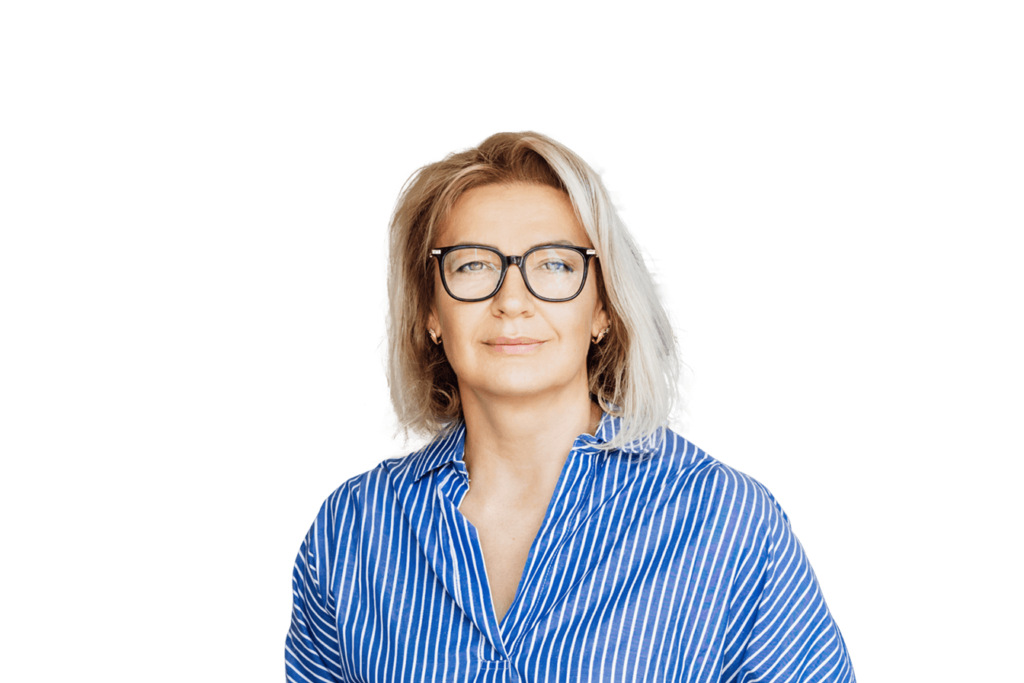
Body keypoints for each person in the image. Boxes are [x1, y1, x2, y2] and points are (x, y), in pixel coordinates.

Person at [285, 130, 855, 682]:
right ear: (431, 311)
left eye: (555, 264)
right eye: (472, 264)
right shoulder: (351, 528)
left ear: (603, 307)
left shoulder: (727, 519)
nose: (512, 301)